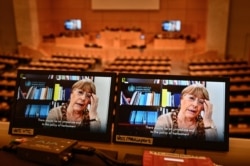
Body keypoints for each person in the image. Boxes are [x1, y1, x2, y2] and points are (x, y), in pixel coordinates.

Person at [153, 83, 218, 141]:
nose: (195, 104)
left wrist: (207, 120)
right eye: (191, 98)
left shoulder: (208, 123)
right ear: (181, 99)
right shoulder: (164, 120)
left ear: (204, 107)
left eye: (200, 102)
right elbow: (157, 148)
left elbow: (214, 149)